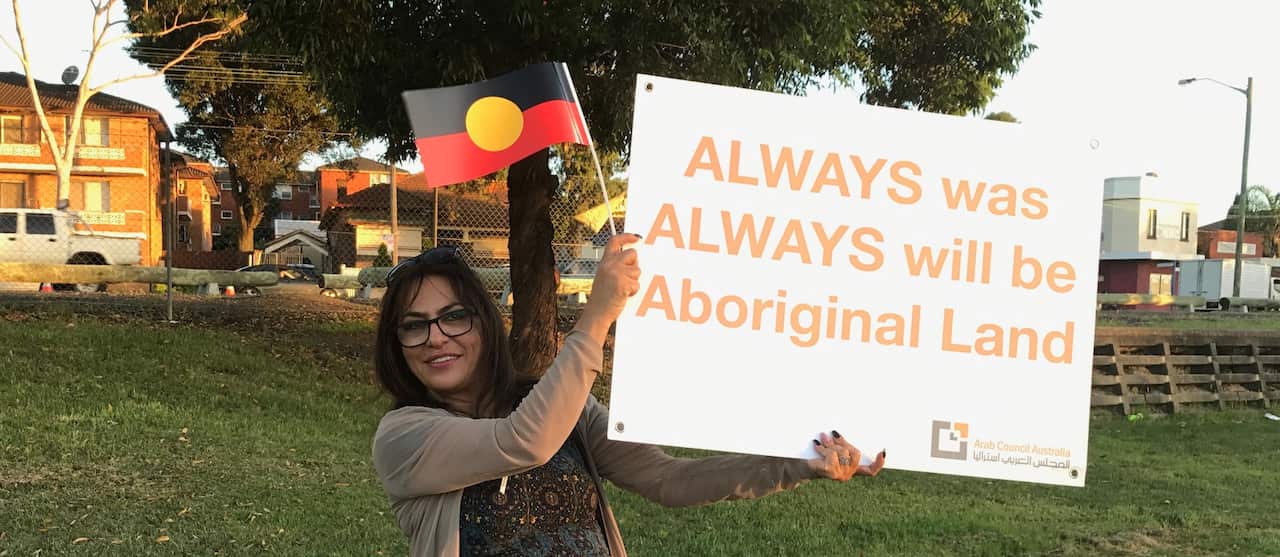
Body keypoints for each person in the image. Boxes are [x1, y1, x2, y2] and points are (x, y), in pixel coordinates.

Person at [371, 234, 886, 556]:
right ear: (398, 345)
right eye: (414, 325)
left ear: (484, 323)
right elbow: (522, 442)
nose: (436, 337)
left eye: (454, 317)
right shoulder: (405, 436)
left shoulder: (564, 409)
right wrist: (596, 317)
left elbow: (668, 478)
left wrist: (796, 463)